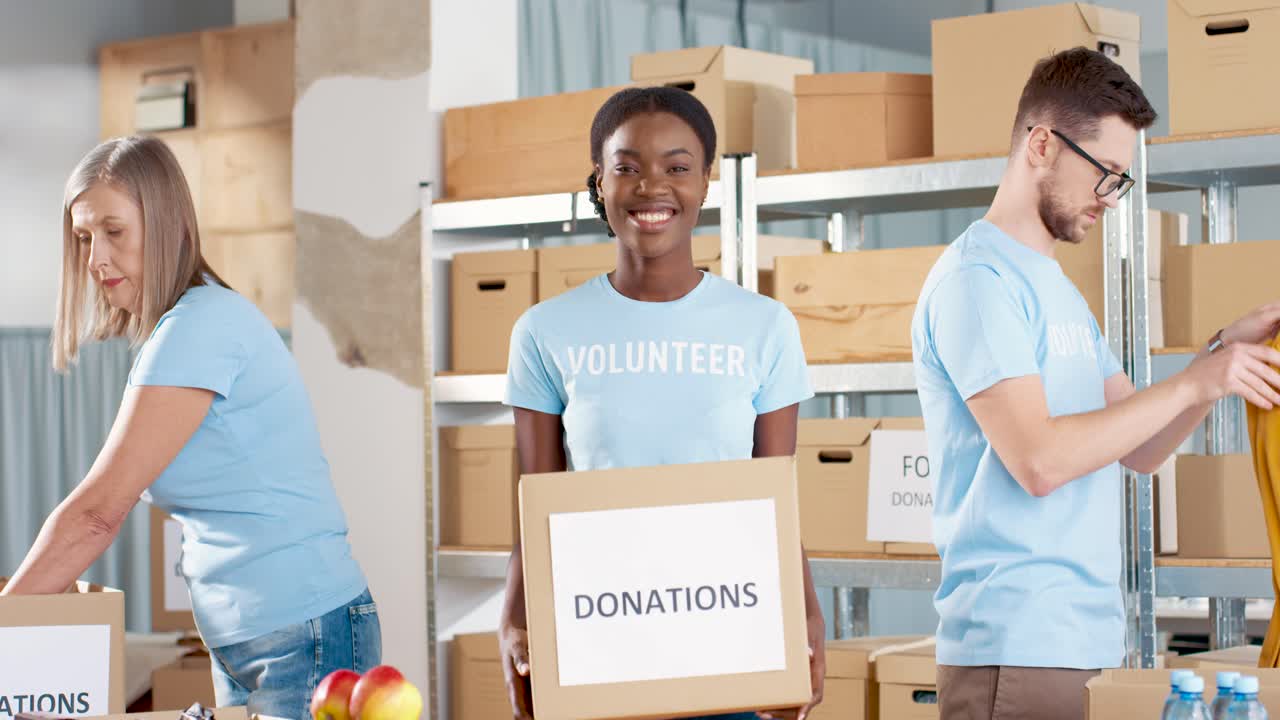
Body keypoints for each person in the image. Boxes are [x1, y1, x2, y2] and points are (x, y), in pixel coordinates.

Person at [911, 46, 1280, 720]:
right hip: (1015, 646)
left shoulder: (1055, 288)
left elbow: (1140, 447)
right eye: (1105, 173)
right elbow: (1040, 461)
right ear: (1042, 145)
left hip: (1082, 640)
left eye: (1121, 180)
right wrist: (1196, 381)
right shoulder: (978, 282)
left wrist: (1220, 355)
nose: (1110, 198)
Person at [1, 136, 380, 719]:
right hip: (251, 637)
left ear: (168, 225)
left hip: (302, 632)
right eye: (83, 237)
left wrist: (8, 623)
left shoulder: (200, 327)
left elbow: (97, 513)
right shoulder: (184, 326)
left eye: (114, 231)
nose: (96, 257)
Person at [498, 86, 825, 720]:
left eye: (677, 166)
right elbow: (533, 501)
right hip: (598, 630)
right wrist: (514, 616)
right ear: (600, 182)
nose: (652, 187)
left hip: (728, 627)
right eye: (627, 167)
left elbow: (775, 500)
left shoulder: (765, 326)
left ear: (705, 181)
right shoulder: (544, 331)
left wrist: (806, 613)